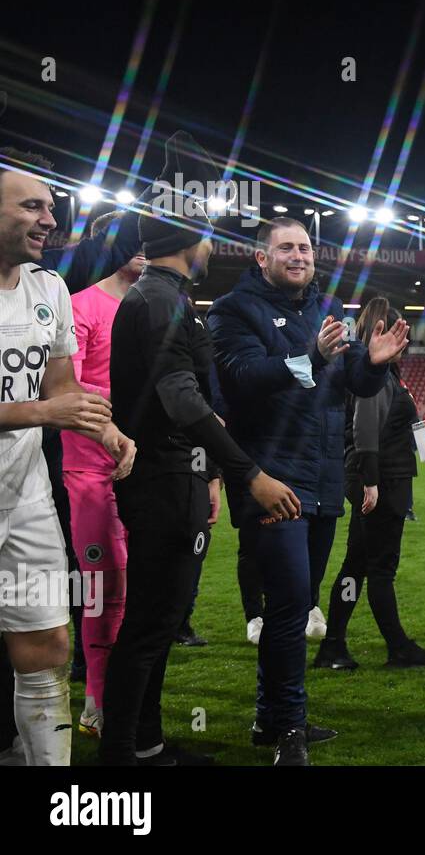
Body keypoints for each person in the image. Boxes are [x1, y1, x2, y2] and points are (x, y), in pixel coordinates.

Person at [103, 188, 300, 766]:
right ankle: (120, 757)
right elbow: (182, 399)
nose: (212, 243)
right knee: (151, 621)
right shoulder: (160, 301)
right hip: (162, 479)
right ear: (190, 240)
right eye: (207, 232)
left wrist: (211, 471)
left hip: (174, 476)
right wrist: (248, 473)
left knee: (159, 620)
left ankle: (144, 743)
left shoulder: (164, 298)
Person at [207, 217, 406, 764]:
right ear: (261, 257)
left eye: (306, 247)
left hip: (319, 482)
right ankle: (290, 726)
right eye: (286, 247)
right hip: (271, 477)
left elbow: (348, 386)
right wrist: (315, 356)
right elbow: (243, 378)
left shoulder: (328, 309)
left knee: (295, 605)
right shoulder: (232, 311)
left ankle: (269, 719)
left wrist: (372, 365)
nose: (299, 255)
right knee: (293, 602)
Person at [0, 151, 136, 766]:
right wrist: (41, 414)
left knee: (50, 645)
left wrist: (103, 428)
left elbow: (60, 389)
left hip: (25, 498)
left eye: (51, 208)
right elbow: (43, 408)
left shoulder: (49, 288)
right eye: (32, 206)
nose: (48, 219)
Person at [317, 298, 425, 670]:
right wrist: (371, 481)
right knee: (380, 567)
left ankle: (334, 645)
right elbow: (364, 429)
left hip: (375, 476)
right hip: (382, 479)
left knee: (356, 564)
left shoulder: (381, 375)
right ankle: (397, 646)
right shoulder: (377, 378)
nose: (403, 339)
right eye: (397, 330)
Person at [61, 213, 146, 737]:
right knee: (103, 588)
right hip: (92, 467)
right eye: (131, 243)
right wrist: (133, 406)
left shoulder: (158, 306)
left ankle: (133, 702)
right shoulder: (82, 305)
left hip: (147, 466)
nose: (142, 250)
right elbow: (64, 387)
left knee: (145, 590)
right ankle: (96, 700)